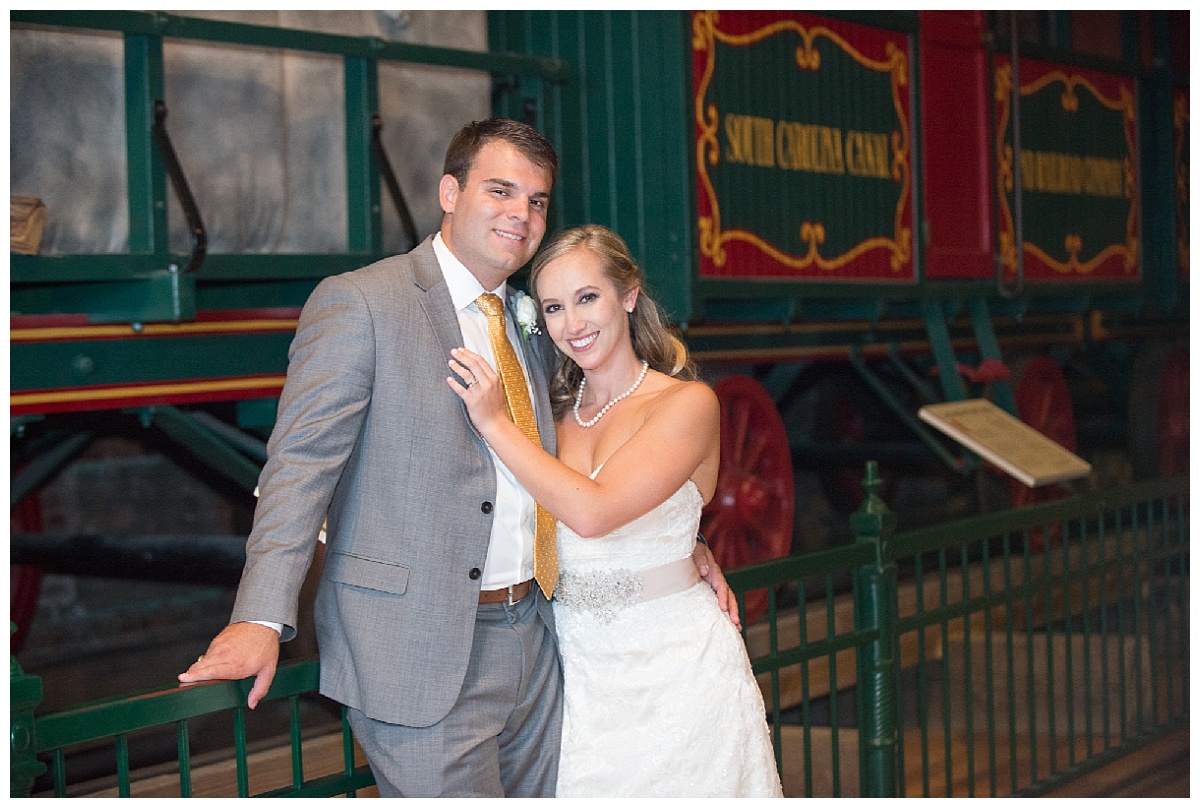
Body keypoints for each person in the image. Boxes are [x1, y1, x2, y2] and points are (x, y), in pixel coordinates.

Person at [177, 119, 736, 798]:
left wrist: (680, 545)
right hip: (417, 651)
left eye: (536, 201)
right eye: (500, 190)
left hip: (540, 643)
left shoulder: (539, 321)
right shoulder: (362, 303)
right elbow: (298, 469)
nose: (521, 214)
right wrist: (259, 617)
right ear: (449, 191)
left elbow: (601, 463)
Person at [447, 224, 783, 797]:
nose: (572, 325)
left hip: (679, 671)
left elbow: (594, 514)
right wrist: (692, 543)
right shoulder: (548, 417)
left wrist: (495, 423)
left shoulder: (687, 403)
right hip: (580, 675)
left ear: (627, 296)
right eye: (553, 307)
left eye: (587, 298)